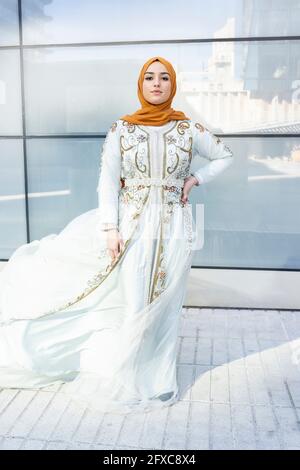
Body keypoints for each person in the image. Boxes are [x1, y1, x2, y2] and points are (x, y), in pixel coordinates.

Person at [0, 56, 234, 414]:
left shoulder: (188, 130)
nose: (157, 84)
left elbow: (224, 156)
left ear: (173, 85)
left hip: (175, 227)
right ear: (140, 84)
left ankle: (159, 381)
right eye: (150, 78)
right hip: (134, 225)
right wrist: (110, 228)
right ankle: (129, 376)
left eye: (165, 78)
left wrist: (195, 179)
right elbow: (107, 181)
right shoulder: (121, 130)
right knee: (136, 301)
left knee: (169, 305)